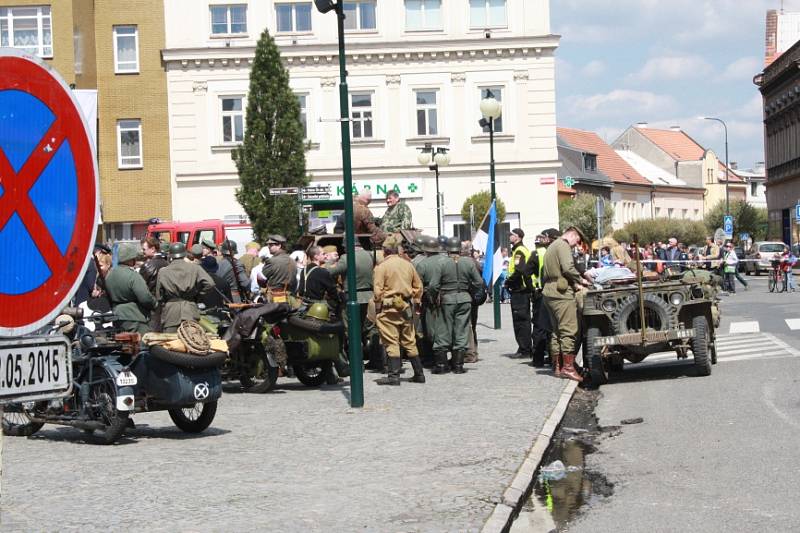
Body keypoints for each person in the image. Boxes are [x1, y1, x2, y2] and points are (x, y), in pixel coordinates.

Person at [541, 226, 592, 382]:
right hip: (561, 293)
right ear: (573, 235)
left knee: (557, 332)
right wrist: (581, 280)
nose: (575, 245)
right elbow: (568, 267)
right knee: (569, 329)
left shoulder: (552, 245)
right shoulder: (562, 245)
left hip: (549, 290)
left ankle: (558, 366)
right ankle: (568, 368)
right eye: (577, 241)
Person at [372, 236, 424, 386]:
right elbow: (418, 287)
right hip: (406, 307)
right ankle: (419, 374)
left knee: (391, 341)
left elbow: (377, 291)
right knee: (409, 340)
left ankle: (393, 376)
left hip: (388, 309)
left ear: (385, 251)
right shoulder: (408, 265)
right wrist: (415, 300)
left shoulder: (381, 267)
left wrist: (378, 307)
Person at [429, 237, 483, 374]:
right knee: (462, 329)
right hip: (465, 298)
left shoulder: (442, 263)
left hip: (447, 298)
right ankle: (458, 365)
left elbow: (433, 285)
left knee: (443, 329)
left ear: (447, 249)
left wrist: (435, 297)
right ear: (459, 248)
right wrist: (469, 291)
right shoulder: (469, 262)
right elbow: (479, 282)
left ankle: (441, 365)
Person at [155, 242, 214, 333]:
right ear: (184, 254)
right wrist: (197, 294)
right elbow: (210, 284)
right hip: (190, 310)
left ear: (170, 255)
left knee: (171, 343)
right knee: (192, 342)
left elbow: (159, 296)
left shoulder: (163, 271)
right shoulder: (194, 268)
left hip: (171, 313)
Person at [414, 235, 450, 373]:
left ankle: (434, 360)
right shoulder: (448, 261)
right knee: (447, 327)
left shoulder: (423, 264)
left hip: (430, 299)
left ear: (426, 250)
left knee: (430, 329)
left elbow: (418, 285)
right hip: (448, 298)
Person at [104, 242, 156, 334]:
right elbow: (145, 298)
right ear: (130, 259)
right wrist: (154, 304)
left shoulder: (109, 275)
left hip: (117, 316)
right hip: (135, 317)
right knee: (142, 346)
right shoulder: (133, 276)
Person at [505, 228, 535, 359]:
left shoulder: (519, 251)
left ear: (518, 237)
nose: (509, 237)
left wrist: (508, 282)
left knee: (521, 321)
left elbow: (519, 270)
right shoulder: (518, 250)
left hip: (520, 290)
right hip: (520, 290)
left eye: (511, 235)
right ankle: (524, 347)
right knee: (521, 320)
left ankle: (525, 349)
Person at [139, 236, 169, 331]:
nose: (142, 251)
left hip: (151, 306)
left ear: (152, 249)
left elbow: (140, 287)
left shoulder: (147, 266)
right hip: (165, 306)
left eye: (144, 249)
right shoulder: (167, 263)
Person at [257, 235, 297, 302]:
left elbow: (261, 279)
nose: (268, 247)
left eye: (271, 245)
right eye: (268, 245)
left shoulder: (272, 261)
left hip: (275, 298)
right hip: (290, 299)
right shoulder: (292, 260)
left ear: (279, 246)